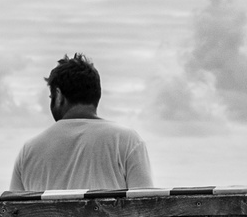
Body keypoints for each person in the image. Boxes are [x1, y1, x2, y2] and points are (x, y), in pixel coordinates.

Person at [10, 53, 153, 192]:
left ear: (59, 96)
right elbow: (146, 206)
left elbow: (12, 212)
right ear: (97, 95)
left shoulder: (28, 151)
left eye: (51, 96)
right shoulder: (128, 141)